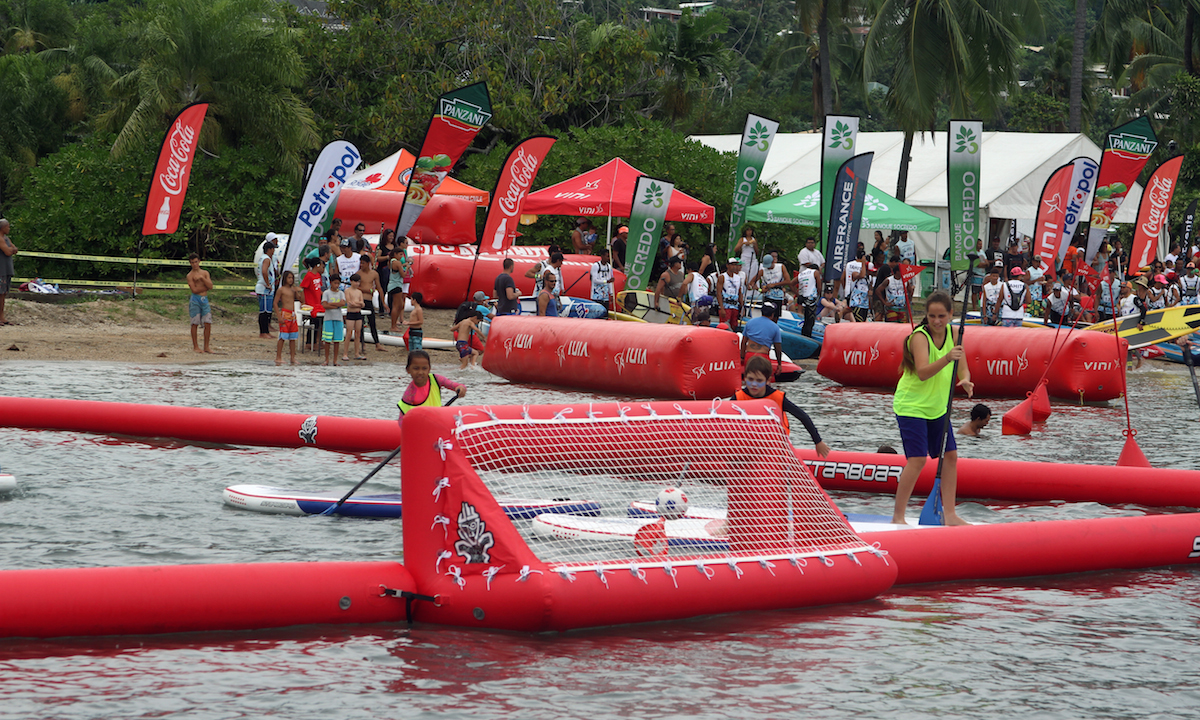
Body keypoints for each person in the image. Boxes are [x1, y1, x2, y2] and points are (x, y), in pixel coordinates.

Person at [891, 290, 973, 526]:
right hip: (911, 406)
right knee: (917, 460)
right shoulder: (919, 337)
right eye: (931, 316)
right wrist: (948, 357)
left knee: (951, 456)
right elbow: (924, 372)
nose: (936, 321)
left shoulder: (956, 333)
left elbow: (963, 368)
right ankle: (898, 517)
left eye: (941, 316)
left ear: (950, 314)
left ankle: (950, 515)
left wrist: (965, 379)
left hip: (938, 408)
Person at [734, 356, 830, 458]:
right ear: (744, 377)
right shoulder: (738, 397)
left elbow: (802, 416)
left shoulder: (777, 397)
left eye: (759, 380)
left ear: (768, 381)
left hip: (777, 446)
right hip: (748, 445)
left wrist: (818, 442)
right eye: (750, 379)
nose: (754, 384)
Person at [398, 350, 466, 421]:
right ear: (408, 370)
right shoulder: (409, 394)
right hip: (422, 426)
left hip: (438, 421)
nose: (420, 372)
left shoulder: (436, 379)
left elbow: (455, 385)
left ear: (429, 369)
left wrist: (461, 388)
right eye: (416, 368)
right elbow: (402, 419)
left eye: (424, 368)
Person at [740, 301, 784, 377]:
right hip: (763, 357)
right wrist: (779, 364)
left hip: (749, 356)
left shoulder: (750, 322)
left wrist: (742, 357)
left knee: (749, 379)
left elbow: (743, 342)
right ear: (772, 314)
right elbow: (778, 348)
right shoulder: (775, 327)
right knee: (765, 381)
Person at [356, 255, 387, 352]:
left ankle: (377, 344)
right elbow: (355, 287)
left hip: (369, 301)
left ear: (368, 263)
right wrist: (367, 290)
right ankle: (362, 343)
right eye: (360, 263)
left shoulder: (374, 274)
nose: (361, 265)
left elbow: (379, 288)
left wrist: (383, 303)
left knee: (372, 322)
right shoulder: (358, 274)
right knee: (360, 323)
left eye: (363, 263)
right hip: (361, 300)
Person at [186, 253, 214, 353]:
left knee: (207, 322)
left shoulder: (205, 273)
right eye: (192, 262)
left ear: (199, 261)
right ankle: (195, 346)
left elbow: (211, 286)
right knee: (195, 322)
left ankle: (206, 346)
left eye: (196, 262)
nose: (194, 264)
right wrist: (206, 287)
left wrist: (202, 279)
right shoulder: (190, 275)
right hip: (195, 300)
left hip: (204, 299)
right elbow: (194, 289)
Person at [273, 270, 300, 365]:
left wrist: (299, 291)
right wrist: (279, 315)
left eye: (292, 278)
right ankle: (278, 357)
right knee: (283, 337)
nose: (291, 280)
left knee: (293, 337)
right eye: (289, 278)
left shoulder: (293, 290)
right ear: (285, 279)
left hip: (293, 315)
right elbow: (275, 303)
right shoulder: (281, 290)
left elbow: (301, 299)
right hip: (285, 314)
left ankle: (292, 357)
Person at [301, 257, 326, 351]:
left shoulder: (318, 276)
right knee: (313, 323)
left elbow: (318, 290)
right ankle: (309, 342)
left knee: (319, 323)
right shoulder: (309, 275)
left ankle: (316, 341)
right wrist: (303, 302)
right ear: (317, 265)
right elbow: (303, 289)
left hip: (317, 303)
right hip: (310, 304)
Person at [321, 275, 347, 366]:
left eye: (338, 283)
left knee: (337, 340)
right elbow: (325, 305)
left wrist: (331, 304)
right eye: (335, 283)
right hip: (328, 318)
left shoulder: (341, 293)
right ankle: (327, 359)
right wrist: (336, 305)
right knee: (327, 340)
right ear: (331, 283)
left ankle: (335, 360)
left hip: (338, 318)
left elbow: (342, 303)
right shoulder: (326, 293)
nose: (337, 285)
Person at [388, 240, 413, 332]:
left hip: (393, 284)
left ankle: (394, 324)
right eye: (400, 255)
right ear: (395, 254)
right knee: (397, 305)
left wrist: (403, 265)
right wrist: (407, 268)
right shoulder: (397, 262)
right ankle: (393, 325)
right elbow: (403, 274)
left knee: (399, 305)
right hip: (396, 285)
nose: (401, 256)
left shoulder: (392, 261)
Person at [255, 239, 278, 339]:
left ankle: (266, 331)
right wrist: (268, 284)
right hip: (264, 289)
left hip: (266, 289)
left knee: (267, 311)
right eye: (273, 249)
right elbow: (264, 271)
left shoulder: (265, 258)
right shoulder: (266, 259)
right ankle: (263, 332)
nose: (274, 251)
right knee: (264, 312)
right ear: (269, 249)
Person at [716, 257, 745, 330]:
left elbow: (740, 293)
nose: (734, 267)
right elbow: (718, 293)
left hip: (735, 306)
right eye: (732, 265)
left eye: (735, 265)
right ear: (727, 265)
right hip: (726, 305)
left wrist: (742, 307)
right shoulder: (722, 277)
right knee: (725, 326)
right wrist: (721, 307)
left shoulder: (738, 278)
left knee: (734, 326)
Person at [343, 272, 366, 361]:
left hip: (358, 313)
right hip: (350, 314)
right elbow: (349, 303)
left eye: (358, 282)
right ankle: (345, 353)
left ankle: (357, 353)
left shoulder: (359, 292)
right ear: (351, 281)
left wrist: (357, 304)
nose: (357, 284)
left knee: (358, 333)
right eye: (355, 282)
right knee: (349, 334)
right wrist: (358, 304)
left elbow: (362, 304)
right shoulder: (347, 291)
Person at [795, 261, 820, 336]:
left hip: (803, 297)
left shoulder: (801, 274)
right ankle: (808, 336)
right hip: (811, 298)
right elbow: (819, 287)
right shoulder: (815, 272)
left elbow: (791, 283)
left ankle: (803, 335)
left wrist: (798, 294)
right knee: (810, 321)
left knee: (806, 320)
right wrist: (818, 295)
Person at [844, 250, 871, 322]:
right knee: (859, 321)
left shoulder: (868, 278)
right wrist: (863, 263)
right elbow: (861, 275)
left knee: (864, 321)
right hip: (857, 302)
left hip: (865, 304)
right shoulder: (855, 273)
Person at [0, 219, 15, 326]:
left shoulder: (6, 239)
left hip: (6, 269)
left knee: (3, 294)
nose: (9, 229)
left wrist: (12, 249)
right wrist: (11, 250)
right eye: (8, 227)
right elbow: (8, 251)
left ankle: (2, 316)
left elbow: (14, 248)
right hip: (1, 270)